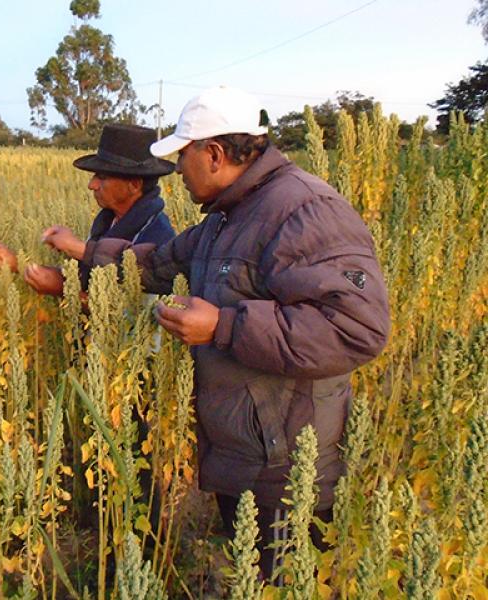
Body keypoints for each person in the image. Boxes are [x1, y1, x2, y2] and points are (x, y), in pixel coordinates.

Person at [42, 86, 391, 580]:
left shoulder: (304, 211)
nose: (177, 171)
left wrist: (224, 326)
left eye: (182, 156)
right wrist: (84, 255)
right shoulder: (226, 218)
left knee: (287, 581)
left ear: (215, 153)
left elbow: (357, 329)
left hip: (288, 466)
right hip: (245, 454)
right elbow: (159, 264)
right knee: (253, 578)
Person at [0, 123, 176, 295]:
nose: (91, 185)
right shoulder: (108, 220)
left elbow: (131, 315)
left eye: (102, 177)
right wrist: (16, 264)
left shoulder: (157, 236)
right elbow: (86, 279)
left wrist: (64, 290)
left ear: (134, 184)